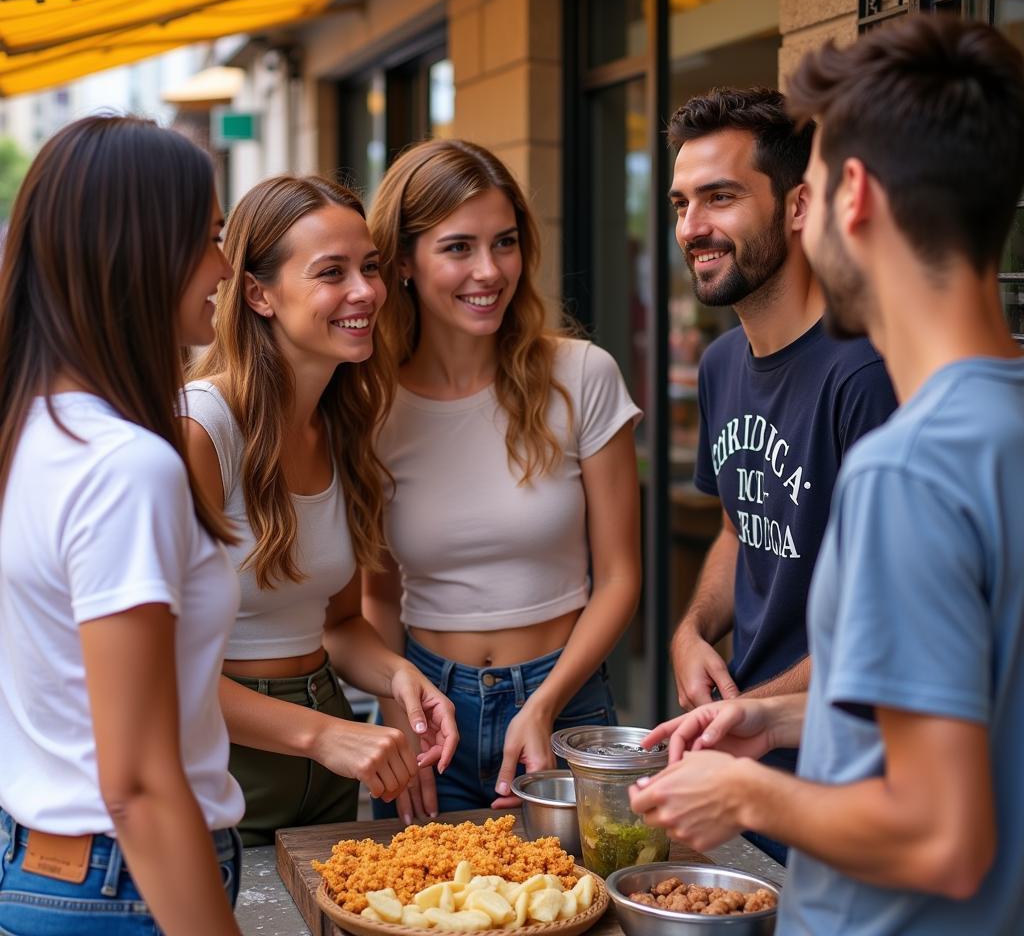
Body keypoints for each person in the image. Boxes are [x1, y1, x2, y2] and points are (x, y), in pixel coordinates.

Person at [631, 12, 1024, 934]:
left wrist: (748, 798)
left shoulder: (909, 468)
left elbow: (940, 836)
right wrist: (769, 729)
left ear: (849, 198)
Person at [0, 115, 244, 935]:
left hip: (45, 864)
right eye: (208, 237)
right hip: (124, 883)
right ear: (138, 252)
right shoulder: (120, 467)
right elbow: (136, 784)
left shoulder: (27, 434)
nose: (222, 266)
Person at [363, 139, 642, 822]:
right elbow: (375, 596)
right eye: (458, 247)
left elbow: (619, 577)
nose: (488, 271)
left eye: (505, 243)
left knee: (579, 915)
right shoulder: (368, 405)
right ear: (403, 261)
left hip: (567, 704)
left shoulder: (582, 376)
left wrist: (543, 704)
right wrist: (400, 716)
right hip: (429, 715)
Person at [182, 175, 458, 847]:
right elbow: (163, 672)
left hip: (332, 768)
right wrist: (325, 734)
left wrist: (400, 678)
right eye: (331, 273)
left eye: (368, 267)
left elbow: (337, 624)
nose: (365, 292)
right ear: (259, 294)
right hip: (226, 770)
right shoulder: (203, 428)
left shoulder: (343, 426)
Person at [665, 88, 897, 861]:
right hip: (747, 767)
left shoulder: (863, 374)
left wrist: (748, 714)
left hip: (842, 782)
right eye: (681, 203)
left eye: (721, 197)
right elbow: (742, 523)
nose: (693, 227)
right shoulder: (723, 363)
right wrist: (695, 631)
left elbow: (887, 621)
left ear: (799, 206)